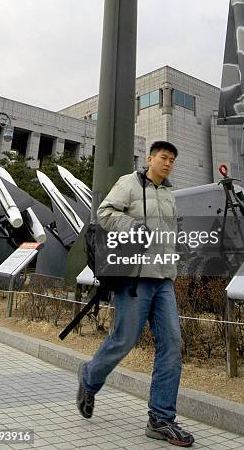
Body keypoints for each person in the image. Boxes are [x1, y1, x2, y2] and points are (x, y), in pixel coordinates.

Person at [76, 141, 195, 447]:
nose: (168, 163)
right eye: (163, 158)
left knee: (172, 344)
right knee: (124, 339)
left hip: (164, 278)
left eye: (172, 160)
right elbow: (103, 213)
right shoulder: (128, 183)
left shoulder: (169, 193)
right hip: (135, 278)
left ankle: (160, 419)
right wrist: (132, 226)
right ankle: (89, 378)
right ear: (151, 158)